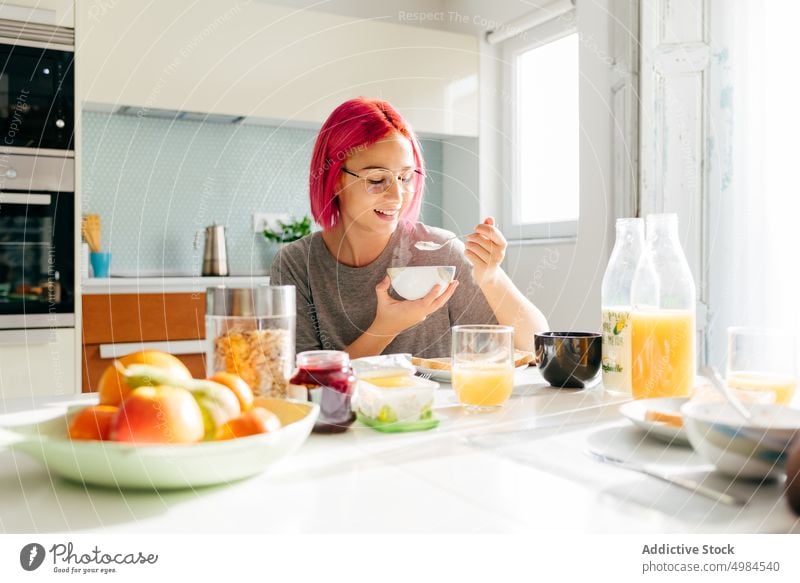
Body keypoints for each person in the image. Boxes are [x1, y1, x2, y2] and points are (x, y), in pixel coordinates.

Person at [271, 97, 548, 359]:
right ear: (335, 179)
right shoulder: (297, 264)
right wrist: (384, 328)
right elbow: (303, 383)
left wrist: (491, 277)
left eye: (405, 177)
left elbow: (537, 346)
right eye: (377, 179)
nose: (397, 196)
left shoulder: (441, 253)